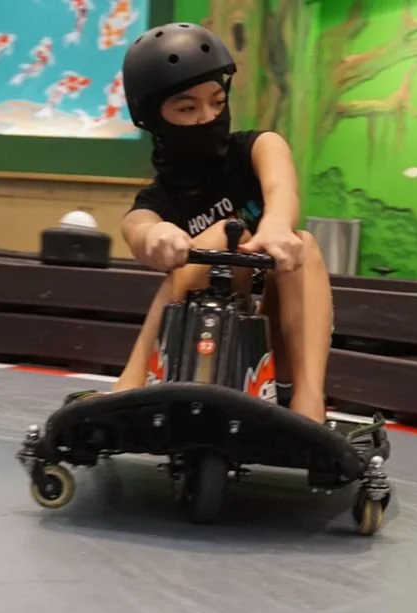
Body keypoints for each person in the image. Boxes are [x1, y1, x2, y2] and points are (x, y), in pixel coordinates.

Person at [105, 22, 334, 424]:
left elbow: (281, 190)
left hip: (276, 339)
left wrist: (277, 227)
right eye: (188, 108)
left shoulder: (259, 147)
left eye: (216, 100)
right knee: (220, 236)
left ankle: (309, 403)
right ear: (154, 118)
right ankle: (134, 380)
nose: (209, 116)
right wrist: (158, 236)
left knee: (305, 244)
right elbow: (138, 229)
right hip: (193, 350)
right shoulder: (156, 201)